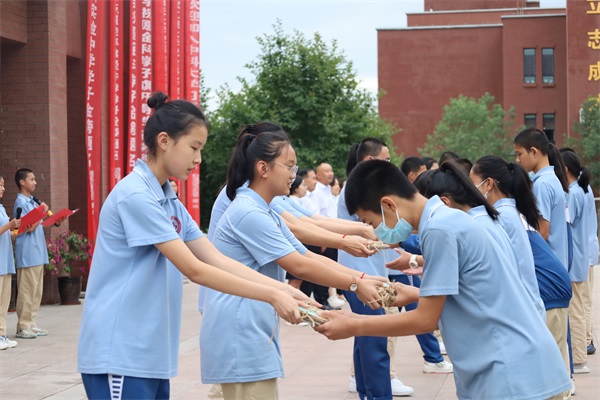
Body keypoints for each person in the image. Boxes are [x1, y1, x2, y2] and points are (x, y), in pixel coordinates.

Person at [77, 93, 311, 399]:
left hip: (149, 355)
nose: (198, 159)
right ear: (164, 141)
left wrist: (284, 290)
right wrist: (272, 293)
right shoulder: (136, 195)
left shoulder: (169, 200)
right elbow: (194, 269)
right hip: (119, 351)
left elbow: (214, 257)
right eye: (194, 148)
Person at [316, 159, 572, 400]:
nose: (375, 231)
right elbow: (477, 291)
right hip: (523, 369)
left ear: (388, 205)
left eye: (370, 222)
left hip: (511, 377)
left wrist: (354, 324)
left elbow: (425, 319)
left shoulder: (440, 229)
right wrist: (416, 294)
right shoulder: (454, 219)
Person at [200, 124, 383, 400]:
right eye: (289, 167)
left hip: (252, 327)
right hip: (240, 330)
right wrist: (355, 282)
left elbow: (306, 255)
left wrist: (362, 279)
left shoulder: (265, 208)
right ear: (263, 168)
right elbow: (298, 266)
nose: (294, 176)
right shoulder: (248, 212)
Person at [338, 138, 414, 399]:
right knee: (376, 336)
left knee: (366, 333)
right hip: (360, 275)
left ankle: (365, 390)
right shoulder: (358, 191)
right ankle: (379, 393)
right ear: (370, 161)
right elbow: (377, 231)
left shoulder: (359, 188)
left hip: (364, 273)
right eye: (387, 159)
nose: (391, 165)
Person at [514, 128, 569, 270]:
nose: (517, 160)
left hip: (547, 267)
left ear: (533, 152)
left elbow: (542, 233)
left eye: (519, 154)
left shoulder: (541, 185)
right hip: (557, 264)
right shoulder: (551, 179)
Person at [561, 150, 592, 374]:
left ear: (565, 170)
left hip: (574, 260)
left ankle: (579, 359)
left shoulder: (573, 194)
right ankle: (580, 357)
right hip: (580, 258)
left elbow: (566, 224)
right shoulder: (581, 189)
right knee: (579, 308)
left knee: (576, 311)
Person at [13, 168, 51, 339]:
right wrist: (41, 213)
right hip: (27, 252)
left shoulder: (32, 201)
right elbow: (27, 227)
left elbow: (40, 223)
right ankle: (23, 326)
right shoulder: (20, 202)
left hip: (37, 251)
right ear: (22, 182)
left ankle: (31, 322)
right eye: (32, 179)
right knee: (27, 291)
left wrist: (46, 215)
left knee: (36, 291)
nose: (35, 182)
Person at [0, 175, 19, 350]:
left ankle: (2, 334)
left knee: (4, 302)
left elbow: (6, 233)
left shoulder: (1, 208)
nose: (3, 188)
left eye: (3, 185)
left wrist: (15, 231)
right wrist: (9, 224)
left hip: (5, 261)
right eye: (0, 185)